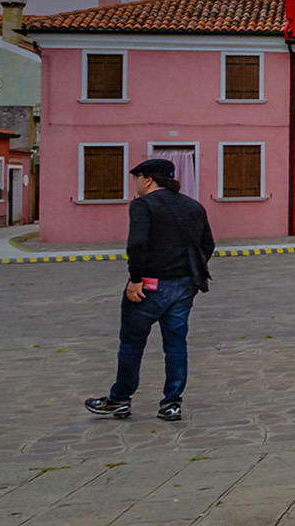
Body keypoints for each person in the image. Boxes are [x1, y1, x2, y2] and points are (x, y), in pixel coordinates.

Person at [83, 158, 215, 422]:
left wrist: (135, 279)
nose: (135, 184)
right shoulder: (194, 206)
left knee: (132, 344)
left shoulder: (143, 205)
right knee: (176, 345)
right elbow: (207, 245)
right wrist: (189, 274)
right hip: (184, 285)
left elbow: (138, 244)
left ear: (147, 179)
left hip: (149, 286)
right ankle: (172, 402)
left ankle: (120, 399)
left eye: (136, 178)